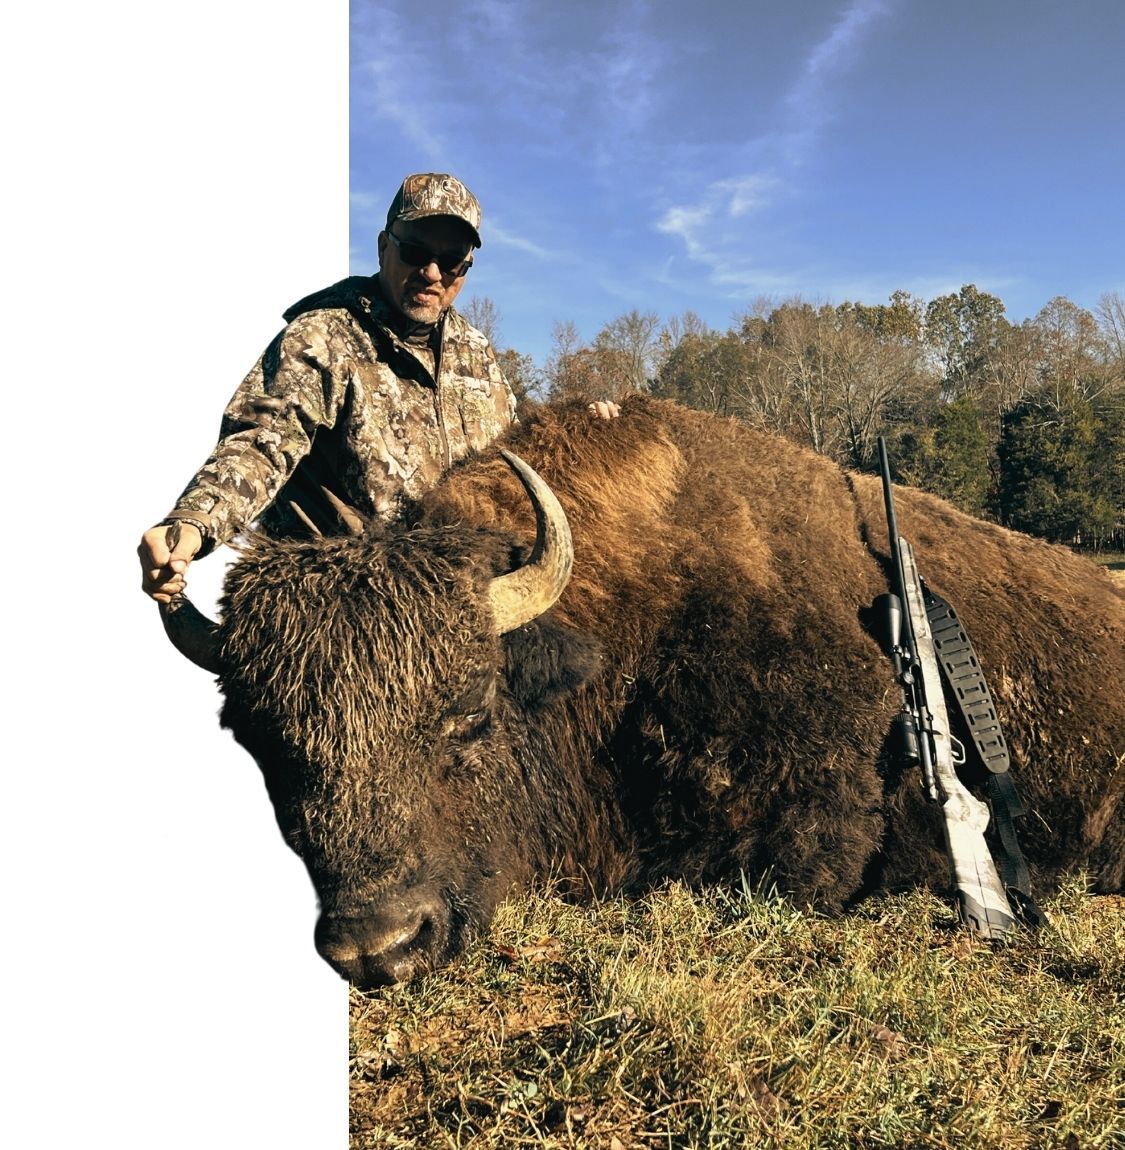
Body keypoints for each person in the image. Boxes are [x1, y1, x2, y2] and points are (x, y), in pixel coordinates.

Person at [139, 172, 617, 603]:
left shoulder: (476, 352)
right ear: (384, 247)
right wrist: (194, 523)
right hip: (344, 608)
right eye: (416, 253)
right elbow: (260, 443)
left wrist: (578, 428)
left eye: (451, 261)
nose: (432, 273)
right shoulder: (324, 337)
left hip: (453, 607)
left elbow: (512, 455)